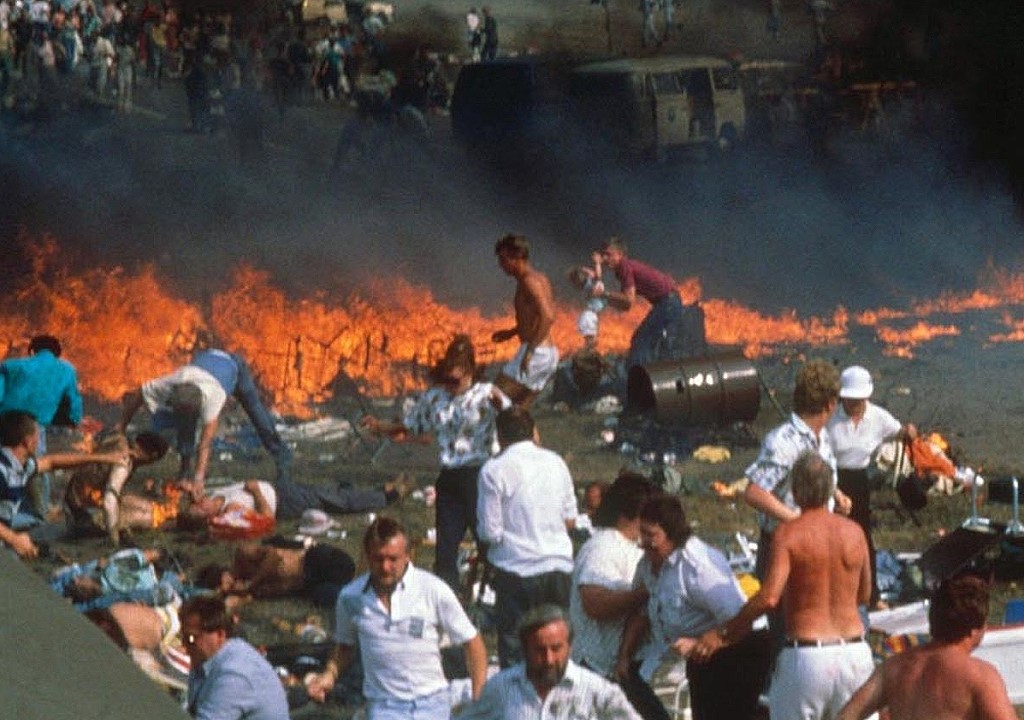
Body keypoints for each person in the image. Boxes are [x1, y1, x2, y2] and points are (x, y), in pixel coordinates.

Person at [693, 451, 873, 720]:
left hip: (809, 656)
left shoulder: (788, 534)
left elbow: (769, 598)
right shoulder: (854, 533)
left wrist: (724, 633)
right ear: (829, 491)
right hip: (855, 652)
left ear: (796, 491)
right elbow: (864, 595)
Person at [362, 334, 509, 592]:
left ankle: (497, 597)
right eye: (447, 379)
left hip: (480, 474)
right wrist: (379, 426)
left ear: (470, 371)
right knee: (445, 550)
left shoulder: (487, 395)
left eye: (456, 380)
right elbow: (408, 425)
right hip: (450, 477)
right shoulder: (435, 397)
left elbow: (516, 420)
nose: (451, 386)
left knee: (488, 542)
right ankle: (446, 602)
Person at [305, 517, 488, 717]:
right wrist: (329, 676)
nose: (385, 567)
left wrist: (478, 699)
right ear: (367, 556)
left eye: (393, 559)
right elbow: (345, 647)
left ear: (407, 556)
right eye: (378, 558)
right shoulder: (350, 598)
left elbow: (472, 642)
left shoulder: (432, 590)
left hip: (432, 703)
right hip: (384, 707)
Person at [616, 495, 772, 720]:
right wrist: (624, 656)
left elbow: (741, 621)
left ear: (671, 534)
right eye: (642, 533)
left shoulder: (698, 567)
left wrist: (701, 644)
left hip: (740, 649)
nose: (643, 542)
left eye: (651, 535)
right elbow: (642, 612)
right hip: (701, 656)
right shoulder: (648, 565)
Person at [118, 338, 291, 494]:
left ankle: (281, 458)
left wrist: (199, 480)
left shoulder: (212, 398)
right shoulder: (171, 383)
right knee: (185, 427)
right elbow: (138, 395)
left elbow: (205, 443)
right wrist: (121, 428)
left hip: (235, 368)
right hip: (207, 359)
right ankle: (184, 472)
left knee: (257, 414)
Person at [478, 406, 578, 668]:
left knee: (516, 650)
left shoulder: (493, 470)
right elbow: (570, 520)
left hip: (516, 570)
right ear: (533, 432)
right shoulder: (556, 462)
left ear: (499, 436)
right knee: (557, 649)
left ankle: (518, 707)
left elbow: (490, 531)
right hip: (558, 567)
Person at [837, 574, 1016, 720]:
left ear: (933, 621)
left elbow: (846, 717)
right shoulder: (980, 675)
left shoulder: (893, 668)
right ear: (974, 629)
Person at [742, 359, 851, 585]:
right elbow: (755, 492)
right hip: (784, 548)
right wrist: (797, 520)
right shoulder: (783, 442)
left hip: (818, 542)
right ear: (830, 404)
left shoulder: (822, 438)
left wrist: (835, 494)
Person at [827, 364, 917, 609]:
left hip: (858, 481)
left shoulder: (878, 417)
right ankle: (837, 593)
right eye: (849, 399)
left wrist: (907, 432)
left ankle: (871, 594)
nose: (853, 404)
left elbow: (898, 431)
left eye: (858, 399)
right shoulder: (831, 419)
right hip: (833, 479)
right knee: (833, 538)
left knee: (863, 537)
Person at [461, 604, 642, 719]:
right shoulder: (501, 688)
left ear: (570, 647)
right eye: (539, 650)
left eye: (556, 649)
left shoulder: (598, 691)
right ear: (525, 650)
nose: (548, 660)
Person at [0, 410, 127, 558]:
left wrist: (103, 458)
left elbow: (51, 462)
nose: (39, 441)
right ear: (27, 442)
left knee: (37, 524)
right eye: (37, 437)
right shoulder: (3, 470)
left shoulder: (20, 465)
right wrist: (14, 539)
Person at [570, 472, 659, 677]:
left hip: (622, 665)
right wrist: (644, 593)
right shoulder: (604, 547)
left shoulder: (634, 547)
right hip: (595, 666)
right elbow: (595, 604)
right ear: (629, 514)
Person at [1, 335, 84, 509]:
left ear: (32, 351)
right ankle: (34, 514)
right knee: (36, 471)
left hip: (4, 422)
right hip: (32, 428)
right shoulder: (66, 371)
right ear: (58, 354)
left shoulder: (10, 367)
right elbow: (74, 409)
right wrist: (68, 421)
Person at [180, 595, 290, 720]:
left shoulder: (235, 675)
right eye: (182, 637)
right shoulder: (208, 658)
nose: (184, 644)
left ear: (220, 635)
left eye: (192, 638)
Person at [596, 237, 694, 373]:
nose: (605, 258)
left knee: (641, 340)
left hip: (668, 303)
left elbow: (628, 301)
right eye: (603, 255)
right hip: (669, 302)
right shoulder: (622, 270)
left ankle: (635, 381)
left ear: (620, 255)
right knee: (658, 346)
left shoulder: (624, 266)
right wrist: (604, 298)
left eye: (609, 254)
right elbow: (626, 306)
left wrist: (604, 294)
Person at [64, 431, 170, 544]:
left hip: (84, 501)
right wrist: (114, 538)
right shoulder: (124, 461)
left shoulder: (119, 439)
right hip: (81, 516)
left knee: (149, 507)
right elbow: (109, 501)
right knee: (148, 517)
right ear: (151, 455)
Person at [492, 234, 559, 408]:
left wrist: (530, 351)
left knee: (493, 399)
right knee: (520, 412)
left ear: (518, 256)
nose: (501, 265)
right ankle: (524, 435)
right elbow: (537, 316)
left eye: (504, 259)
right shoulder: (539, 278)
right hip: (548, 354)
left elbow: (549, 316)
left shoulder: (530, 282)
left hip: (537, 353)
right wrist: (513, 332)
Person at [196, 539, 356, 608]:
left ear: (223, 574)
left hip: (314, 561)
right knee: (337, 599)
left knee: (346, 572)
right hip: (309, 585)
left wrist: (251, 583)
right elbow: (243, 599)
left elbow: (273, 555)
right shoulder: (246, 588)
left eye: (224, 583)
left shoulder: (243, 556)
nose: (228, 587)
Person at [567, 252, 609, 351]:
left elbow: (597, 276)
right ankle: (589, 346)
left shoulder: (592, 284)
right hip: (593, 312)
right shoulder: (589, 285)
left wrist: (597, 263)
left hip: (591, 313)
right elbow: (595, 275)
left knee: (587, 327)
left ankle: (590, 347)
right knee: (588, 329)